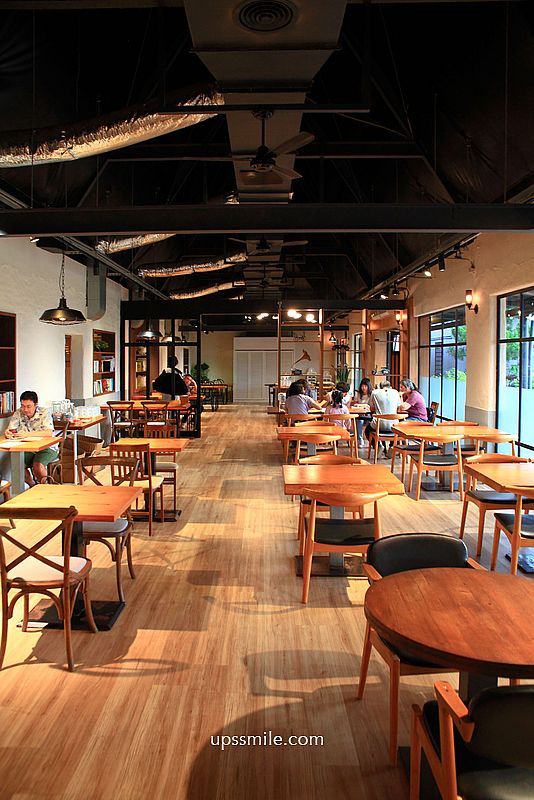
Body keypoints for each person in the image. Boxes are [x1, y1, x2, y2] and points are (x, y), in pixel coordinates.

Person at [5, 390, 57, 486]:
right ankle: (33, 486)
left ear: (36, 405)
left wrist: (28, 434)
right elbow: (12, 429)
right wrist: (8, 432)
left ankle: (44, 487)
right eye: (23, 406)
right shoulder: (18, 412)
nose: (25, 409)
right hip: (27, 448)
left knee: (37, 466)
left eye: (28, 406)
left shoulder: (44, 412)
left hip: (47, 448)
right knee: (18, 465)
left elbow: (49, 432)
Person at [365, 379, 401, 457]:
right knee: (398, 431)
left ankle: (378, 446)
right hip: (393, 425)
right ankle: (392, 446)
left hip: (379, 424)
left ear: (380, 387)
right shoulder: (396, 392)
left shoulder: (375, 392)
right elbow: (398, 408)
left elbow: (371, 408)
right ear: (390, 387)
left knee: (367, 431)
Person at [352, 377, 373, 447]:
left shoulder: (372, 394)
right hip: (360, 414)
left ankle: (370, 440)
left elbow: (371, 406)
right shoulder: (358, 394)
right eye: (362, 386)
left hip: (369, 415)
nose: (363, 388)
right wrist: (363, 406)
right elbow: (355, 404)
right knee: (359, 421)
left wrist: (361, 405)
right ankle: (360, 439)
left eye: (365, 386)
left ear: (368, 386)